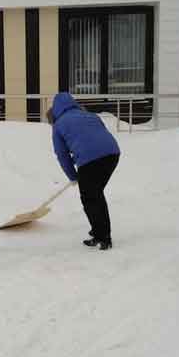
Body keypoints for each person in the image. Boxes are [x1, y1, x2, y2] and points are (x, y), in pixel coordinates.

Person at [47, 92, 121, 250]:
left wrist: (73, 176)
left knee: (90, 197)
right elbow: (91, 139)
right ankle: (99, 231)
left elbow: (62, 154)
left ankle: (103, 237)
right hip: (112, 154)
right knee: (95, 194)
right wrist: (78, 160)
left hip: (91, 160)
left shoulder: (59, 124)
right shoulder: (89, 115)